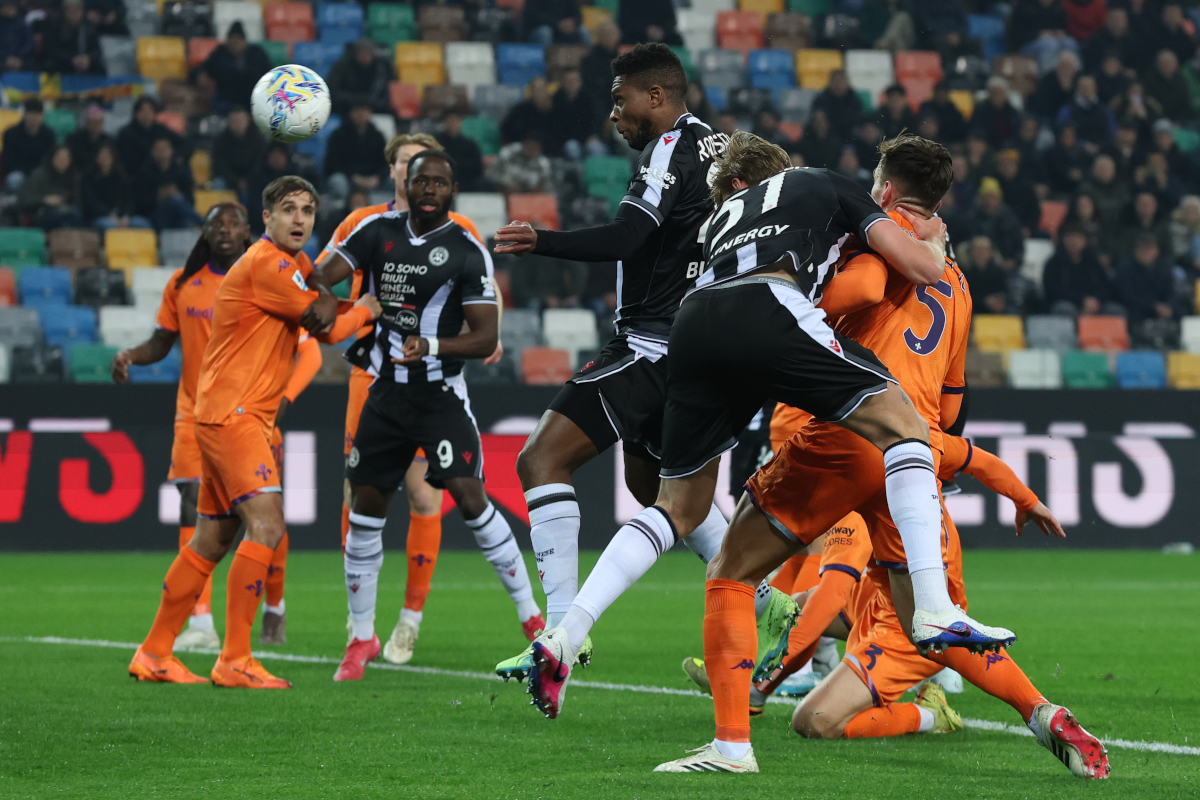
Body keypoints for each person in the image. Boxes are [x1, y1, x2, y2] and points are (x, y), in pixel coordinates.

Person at [640, 133, 1012, 773]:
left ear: (887, 189)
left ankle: (763, 696)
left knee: (775, 567)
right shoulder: (958, 279)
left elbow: (863, 292)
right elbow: (953, 407)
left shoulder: (869, 231)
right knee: (860, 576)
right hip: (901, 445)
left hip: (845, 425)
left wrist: (796, 303)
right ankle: (1015, 694)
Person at [490, 45, 732, 683]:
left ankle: (562, 630)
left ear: (657, 96)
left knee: (540, 460)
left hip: (652, 346)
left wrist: (543, 241)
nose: (614, 116)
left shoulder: (668, 151)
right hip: (700, 349)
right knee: (656, 491)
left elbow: (628, 237)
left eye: (622, 100)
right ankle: (777, 604)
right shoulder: (722, 149)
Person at [127, 176, 380, 688]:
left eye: (308, 210)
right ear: (266, 219)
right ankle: (235, 658)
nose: (300, 220)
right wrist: (371, 307)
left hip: (228, 413)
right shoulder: (267, 264)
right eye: (288, 210)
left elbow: (318, 285)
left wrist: (327, 282)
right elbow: (325, 326)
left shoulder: (287, 263)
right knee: (267, 527)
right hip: (236, 416)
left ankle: (154, 653)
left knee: (211, 538)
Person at [305, 150, 543, 682]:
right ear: (407, 186)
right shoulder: (375, 231)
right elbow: (321, 275)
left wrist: (431, 344)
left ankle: (531, 617)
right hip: (385, 394)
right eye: (421, 181)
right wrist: (323, 299)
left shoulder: (466, 249)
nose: (430, 188)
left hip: (440, 395)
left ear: (452, 188)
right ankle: (360, 636)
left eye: (439, 180)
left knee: (470, 497)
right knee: (365, 507)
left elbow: (486, 339)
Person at [791, 433, 1109, 780]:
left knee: (813, 720)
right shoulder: (922, 438)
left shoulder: (849, 461)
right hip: (890, 597)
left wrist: (761, 690)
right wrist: (1027, 501)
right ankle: (1035, 708)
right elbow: (984, 461)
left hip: (902, 626)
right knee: (796, 608)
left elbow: (832, 593)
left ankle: (929, 714)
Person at [1042, 223, 1114, 315]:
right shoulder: (1054, 263)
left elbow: (1105, 285)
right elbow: (1053, 290)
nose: (1074, 242)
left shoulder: (1093, 261)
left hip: (1093, 304)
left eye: (1078, 238)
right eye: (1070, 237)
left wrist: (1097, 300)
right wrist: (1082, 300)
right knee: (1064, 309)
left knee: (1114, 310)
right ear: (1063, 240)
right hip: (1068, 303)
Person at [324, 100, 389, 200]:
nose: (361, 114)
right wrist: (353, 177)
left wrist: (377, 178)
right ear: (351, 113)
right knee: (338, 182)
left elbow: (385, 163)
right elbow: (333, 163)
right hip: (348, 178)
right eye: (358, 111)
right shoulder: (338, 135)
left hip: (372, 179)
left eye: (365, 111)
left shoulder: (378, 136)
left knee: (395, 181)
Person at [133, 137, 201, 231]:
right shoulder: (144, 174)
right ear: (152, 152)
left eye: (165, 149)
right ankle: (203, 223)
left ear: (171, 151)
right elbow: (138, 203)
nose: (162, 152)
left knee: (185, 222)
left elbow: (190, 199)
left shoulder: (180, 172)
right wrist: (158, 196)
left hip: (177, 216)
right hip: (155, 216)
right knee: (174, 200)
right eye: (159, 149)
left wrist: (177, 193)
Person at [201, 21, 272, 110]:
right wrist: (200, 75)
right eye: (233, 39)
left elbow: (269, 74)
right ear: (228, 41)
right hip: (226, 100)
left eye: (239, 39)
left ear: (244, 41)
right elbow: (204, 68)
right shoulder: (219, 54)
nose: (236, 43)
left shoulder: (257, 54)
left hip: (253, 100)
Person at [82, 142, 151, 230]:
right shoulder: (89, 178)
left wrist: (126, 216)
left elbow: (129, 201)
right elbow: (91, 203)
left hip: (122, 216)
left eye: (107, 155)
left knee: (143, 224)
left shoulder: (121, 177)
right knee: (109, 225)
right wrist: (109, 214)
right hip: (100, 217)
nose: (105, 158)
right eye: (101, 155)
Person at [1114, 233, 1179, 324]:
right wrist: (1153, 307)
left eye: (1150, 249)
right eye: (1143, 250)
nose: (1146, 253)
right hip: (1137, 308)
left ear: (1157, 250)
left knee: (1179, 310)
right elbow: (1127, 296)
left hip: (1161, 306)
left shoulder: (1163, 266)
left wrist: (1168, 305)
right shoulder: (1126, 267)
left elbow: (1170, 290)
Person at [19, 144, 83, 229]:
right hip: (42, 213)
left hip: (66, 212)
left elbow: (77, 200)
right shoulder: (39, 175)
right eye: (59, 158)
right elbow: (25, 200)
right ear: (52, 158)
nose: (62, 161)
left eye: (66, 158)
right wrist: (45, 200)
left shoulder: (73, 177)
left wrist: (64, 205)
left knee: (74, 215)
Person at [116, 97, 184, 177]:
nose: (146, 115)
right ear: (135, 113)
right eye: (142, 111)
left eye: (150, 111)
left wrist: (175, 156)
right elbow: (129, 161)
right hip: (137, 175)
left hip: (162, 172)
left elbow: (184, 143)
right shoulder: (126, 133)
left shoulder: (159, 129)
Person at [327, 39, 395, 117]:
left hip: (375, 108)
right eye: (362, 53)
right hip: (345, 108)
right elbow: (334, 90)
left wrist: (371, 103)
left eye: (367, 54)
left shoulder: (381, 68)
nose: (365, 57)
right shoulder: (342, 67)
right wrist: (353, 100)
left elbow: (386, 93)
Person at [211, 106, 266, 197]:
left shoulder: (258, 140)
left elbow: (260, 164)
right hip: (228, 179)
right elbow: (219, 165)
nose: (237, 124)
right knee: (218, 184)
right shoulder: (220, 141)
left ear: (247, 121)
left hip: (252, 178)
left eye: (240, 121)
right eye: (234, 121)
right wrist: (236, 181)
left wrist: (248, 180)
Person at [548, 68, 603, 159]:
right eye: (568, 81)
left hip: (590, 137)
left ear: (580, 82)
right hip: (568, 140)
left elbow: (598, 118)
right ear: (563, 83)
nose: (571, 84)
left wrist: (594, 134)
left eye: (573, 80)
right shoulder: (557, 99)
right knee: (571, 147)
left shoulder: (590, 98)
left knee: (595, 148)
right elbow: (555, 123)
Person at [3, 99, 55, 191]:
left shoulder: (49, 135)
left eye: (37, 115)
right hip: (18, 173)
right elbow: (8, 160)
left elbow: (50, 158)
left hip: (41, 173)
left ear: (42, 116)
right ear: (24, 115)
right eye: (31, 114)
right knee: (14, 179)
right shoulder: (11, 134)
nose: (34, 118)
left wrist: (38, 173)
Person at [41, 0, 102, 74]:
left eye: (78, 10)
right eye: (71, 11)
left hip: (85, 63)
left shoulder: (88, 26)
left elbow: (96, 50)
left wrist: (88, 58)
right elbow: (51, 50)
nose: (75, 14)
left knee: (99, 68)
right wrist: (71, 60)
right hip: (63, 63)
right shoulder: (54, 25)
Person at [486, 135, 555, 193]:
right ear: (523, 144)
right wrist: (504, 183)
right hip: (505, 190)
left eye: (535, 147)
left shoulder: (543, 163)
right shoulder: (508, 153)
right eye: (529, 146)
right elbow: (490, 173)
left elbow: (548, 187)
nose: (531, 150)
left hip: (529, 195)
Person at [500, 77, 555, 146]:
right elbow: (506, 129)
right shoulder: (520, 110)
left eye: (543, 88)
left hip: (550, 150)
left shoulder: (557, 110)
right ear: (532, 91)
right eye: (537, 89)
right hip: (522, 148)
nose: (540, 92)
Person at [812, 70, 863, 142]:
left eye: (841, 82)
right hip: (828, 136)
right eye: (836, 82)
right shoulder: (821, 99)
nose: (838, 85)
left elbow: (856, 120)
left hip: (850, 136)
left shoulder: (854, 100)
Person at [438, 112, 485, 190]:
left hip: (465, 180)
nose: (453, 124)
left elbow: (477, 168)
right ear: (444, 122)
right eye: (450, 121)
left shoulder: (469, 145)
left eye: (456, 121)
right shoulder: (437, 143)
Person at [581, 20, 620, 112]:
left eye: (612, 33)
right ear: (599, 36)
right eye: (606, 33)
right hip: (600, 102)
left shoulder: (624, 56)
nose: (609, 37)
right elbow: (591, 86)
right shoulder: (590, 59)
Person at [66, 105, 113, 170]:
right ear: (87, 122)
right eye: (95, 122)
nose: (97, 125)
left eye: (100, 122)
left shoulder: (109, 141)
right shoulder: (74, 139)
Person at [522, 0, 587, 46]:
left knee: (584, 32)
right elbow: (533, 16)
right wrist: (557, 24)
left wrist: (573, 22)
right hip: (539, 30)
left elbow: (578, 15)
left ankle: (587, 62)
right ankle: (546, 62)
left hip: (565, 29)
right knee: (545, 32)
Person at [0, 0, 33, 73]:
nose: (9, 9)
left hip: (21, 58)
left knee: (33, 66)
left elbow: (29, 43)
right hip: (2, 59)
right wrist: (6, 58)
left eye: (11, 7)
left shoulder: (22, 23)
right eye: (6, 7)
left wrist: (19, 57)